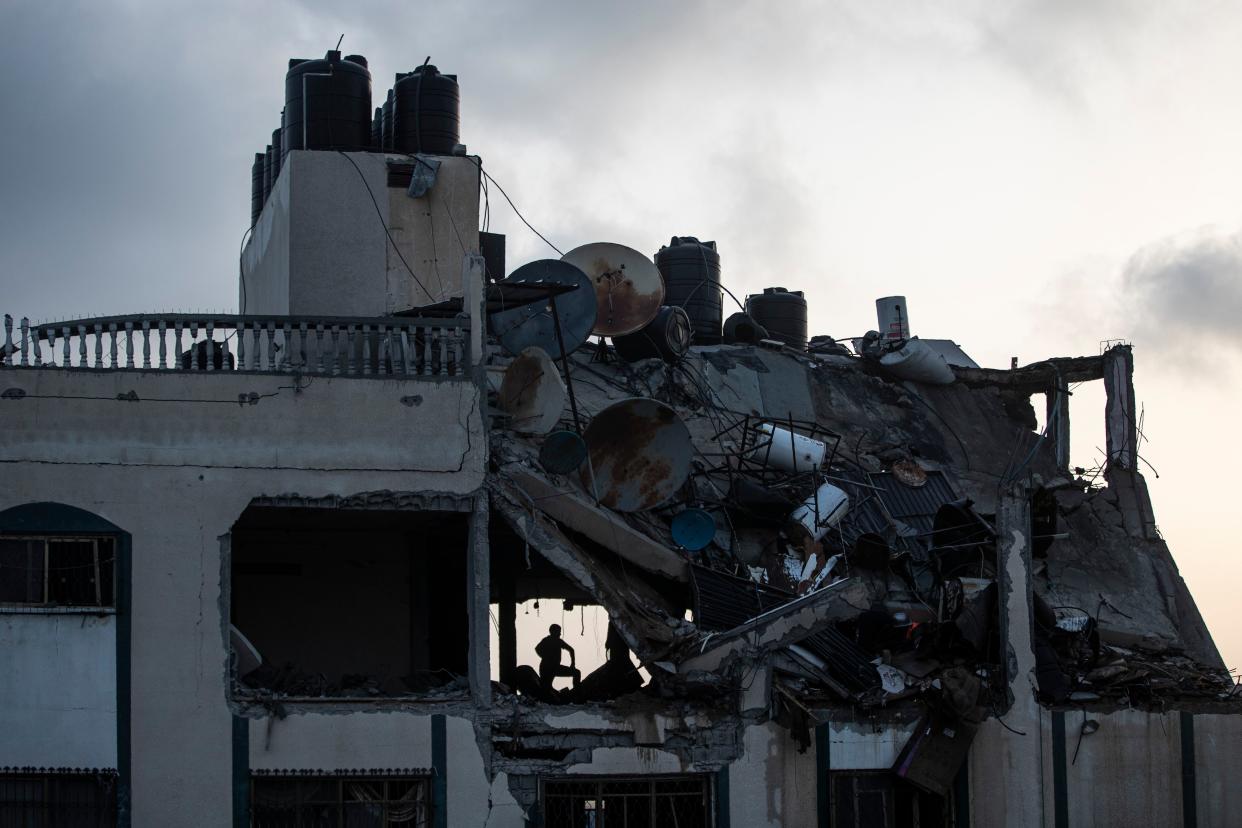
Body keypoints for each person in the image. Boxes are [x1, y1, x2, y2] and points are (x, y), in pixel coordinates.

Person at [535, 624, 580, 692]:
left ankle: (576, 692)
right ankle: (576, 692)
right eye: (558, 632)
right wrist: (545, 657)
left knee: (576, 673)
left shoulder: (557, 641)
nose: (560, 634)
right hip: (547, 668)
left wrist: (573, 664)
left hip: (553, 667)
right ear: (553, 632)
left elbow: (571, 650)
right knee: (576, 673)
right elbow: (537, 648)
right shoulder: (551, 640)